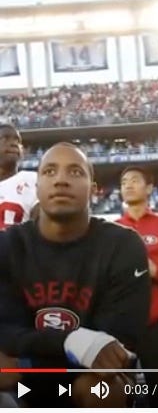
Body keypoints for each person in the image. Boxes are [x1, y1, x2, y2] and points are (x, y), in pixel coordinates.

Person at [0, 142, 150, 408]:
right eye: (49, 172)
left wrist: (44, 346)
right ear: (37, 189)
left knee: (103, 389)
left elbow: (115, 343)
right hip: (25, 379)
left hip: (86, 377)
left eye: (75, 172)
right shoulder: (8, 246)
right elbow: (4, 331)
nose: (60, 181)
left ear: (93, 190)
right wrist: (72, 340)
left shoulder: (123, 244)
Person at [116, 165, 158, 408]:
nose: (128, 185)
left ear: (150, 188)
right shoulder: (110, 231)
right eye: (124, 182)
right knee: (116, 396)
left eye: (134, 180)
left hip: (157, 326)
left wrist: (154, 270)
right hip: (120, 329)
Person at [0, 124, 38, 407]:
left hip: (18, 285)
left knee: (22, 373)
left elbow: (46, 227)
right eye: (4, 138)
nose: (13, 143)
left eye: (17, 140)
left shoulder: (29, 181)